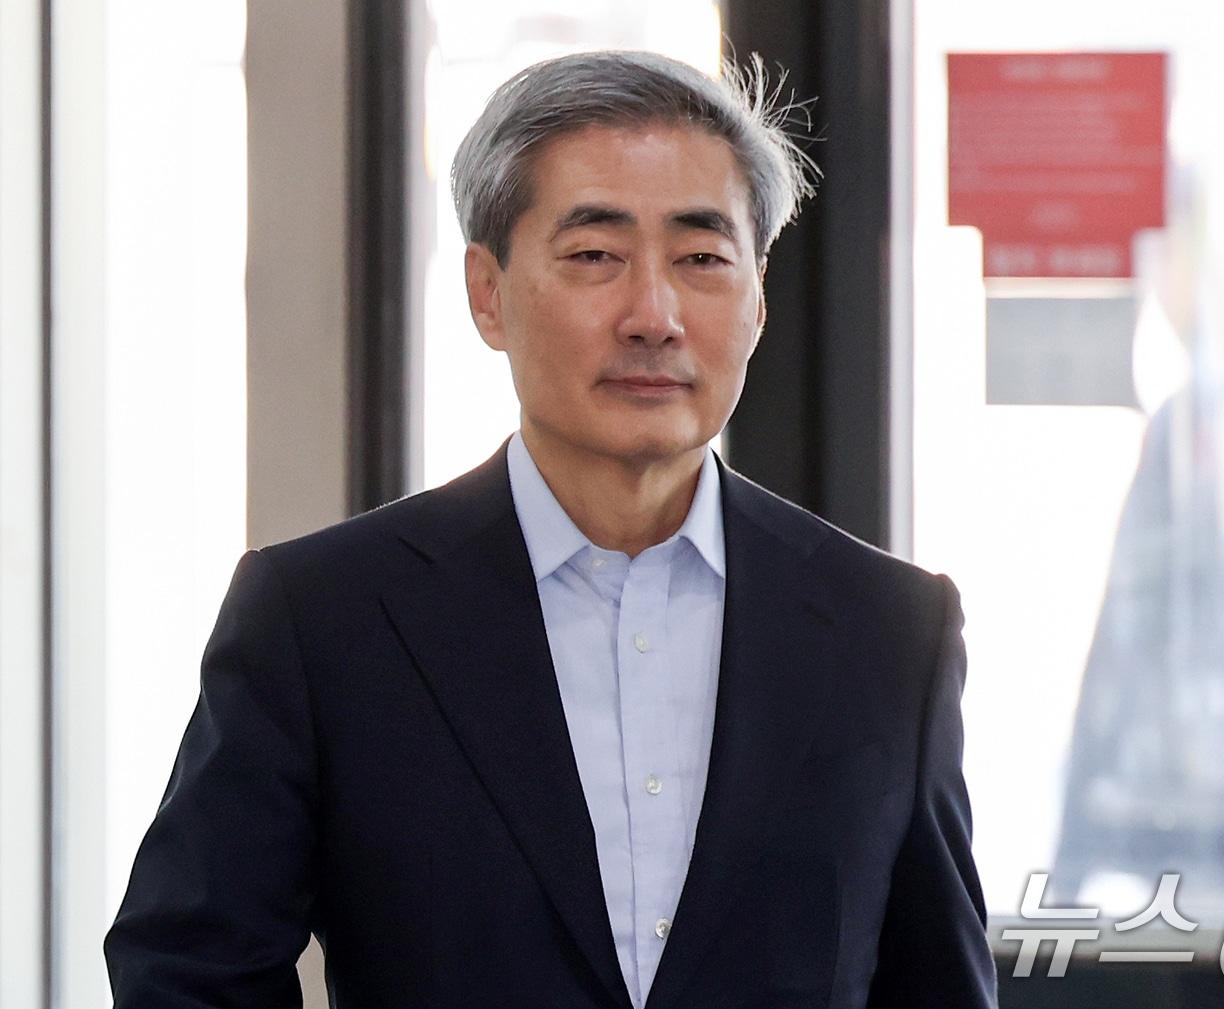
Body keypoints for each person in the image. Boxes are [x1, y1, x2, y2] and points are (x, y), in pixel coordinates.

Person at [105, 49, 996, 1008]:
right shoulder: (324, 617)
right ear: (487, 292)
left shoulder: (888, 631)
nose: (653, 314)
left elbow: (938, 982)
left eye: (701, 258)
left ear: (758, 296)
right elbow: (188, 967)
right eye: (594, 256)